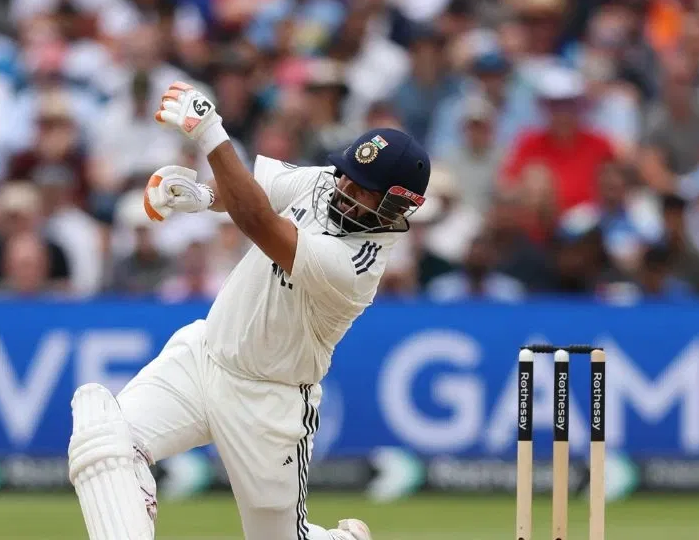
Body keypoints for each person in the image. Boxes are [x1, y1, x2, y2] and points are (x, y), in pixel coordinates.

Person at [68, 82, 429, 540]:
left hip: (269, 403)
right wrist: (202, 195)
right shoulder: (327, 184)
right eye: (346, 177)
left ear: (396, 204)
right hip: (203, 358)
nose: (343, 191)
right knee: (106, 442)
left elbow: (259, 220)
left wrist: (211, 133)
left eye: (363, 190)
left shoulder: (357, 265)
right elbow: (251, 190)